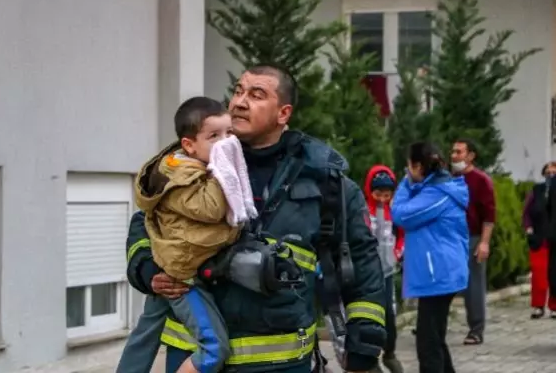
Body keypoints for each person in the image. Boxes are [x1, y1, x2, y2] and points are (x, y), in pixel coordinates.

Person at [122, 64, 387, 373]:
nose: (239, 102)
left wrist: (365, 336)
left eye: (256, 94)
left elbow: (361, 258)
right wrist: (147, 269)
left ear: (283, 113)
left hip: (280, 364)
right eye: (238, 91)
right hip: (194, 360)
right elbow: (147, 222)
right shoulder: (194, 162)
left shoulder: (321, 178)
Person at [127, 96, 261, 373]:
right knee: (213, 348)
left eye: (229, 134)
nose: (225, 143)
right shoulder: (181, 177)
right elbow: (212, 209)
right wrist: (223, 170)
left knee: (144, 335)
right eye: (214, 136)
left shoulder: (194, 165)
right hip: (182, 274)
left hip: (181, 264)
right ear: (189, 145)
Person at [391, 141, 469, 373]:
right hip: (440, 272)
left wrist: (406, 182)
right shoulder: (437, 188)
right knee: (435, 338)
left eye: (408, 166)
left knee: (427, 343)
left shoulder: (438, 194)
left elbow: (401, 214)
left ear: (416, 166)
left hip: (439, 274)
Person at [451, 138, 495, 345]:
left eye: (459, 152)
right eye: (453, 152)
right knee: (444, 282)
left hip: (472, 237)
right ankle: (433, 323)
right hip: (450, 237)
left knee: (473, 285)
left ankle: (476, 329)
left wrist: (484, 242)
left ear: (470, 156)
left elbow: (489, 215)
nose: (454, 156)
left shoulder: (481, 180)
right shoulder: (450, 179)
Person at [363, 165, 404, 373]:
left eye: (386, 195)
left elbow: (401, 237)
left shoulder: (394, 213)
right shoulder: (362, 212)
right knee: (370, 318)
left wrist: (397, 253)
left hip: (387, 271)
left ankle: (390, 353)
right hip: (368, 275)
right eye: (378, 193)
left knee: (389, 315)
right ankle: (371, 359)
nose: (381, 199)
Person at [523, 162, 556, 319]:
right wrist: (529, 229)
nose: (550, 175)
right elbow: (527, 212)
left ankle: (554, 306)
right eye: (548, 172)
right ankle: (538, 306)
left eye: (554, 173)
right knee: (539, 274)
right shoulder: (536, 191)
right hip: (539, 238)